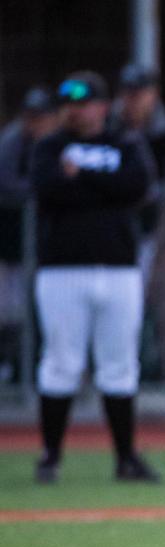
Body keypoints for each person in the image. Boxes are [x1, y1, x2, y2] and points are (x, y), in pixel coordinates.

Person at [29, 71, 160, 484]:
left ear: (102, 106)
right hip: (62, 270)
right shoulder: (50, 146)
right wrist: (103, 187)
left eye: (84, 103)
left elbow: (135, 187)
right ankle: (50, 456)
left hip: (119, 270)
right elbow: (48, 189)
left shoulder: (125, 142)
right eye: (69, 103)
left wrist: (82, 176)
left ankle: (125, 457)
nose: (75, 110)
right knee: (61, 363)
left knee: (119, 365)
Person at [0, 86, 58, 376]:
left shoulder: (59, 142)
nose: (36, 123)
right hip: (12, 244)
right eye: (31, 117)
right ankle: (12, 365)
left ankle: (34, 365)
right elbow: (6, 182)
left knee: (44, 309)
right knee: (11, 308)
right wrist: (44, 188)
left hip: (51, 246)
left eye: (41, 117)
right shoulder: (12, 141)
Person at [111, 63, 165, 286]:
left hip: (153, 225)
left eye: (139, 94)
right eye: (128, 93)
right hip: (111, 223)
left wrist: (145, 193)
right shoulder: (108, 129)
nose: (133, 101)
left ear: (153, 94)